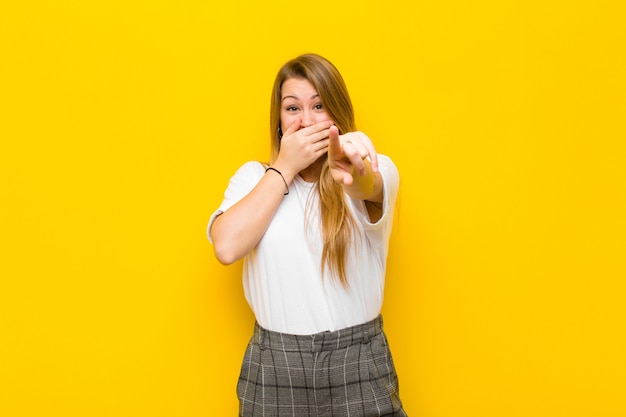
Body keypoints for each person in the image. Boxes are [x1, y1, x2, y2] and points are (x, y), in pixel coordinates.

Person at [207, 53, 406, 417]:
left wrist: (357, 166)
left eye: (319, 105)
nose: (306, 120)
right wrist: (285, 166)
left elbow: (367, 184)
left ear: (337, 115)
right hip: (275, 367)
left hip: (358, 365)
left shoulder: (374, 168)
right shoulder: (254, 179)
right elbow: (226, 246)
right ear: (279, 121)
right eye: (292, 108)